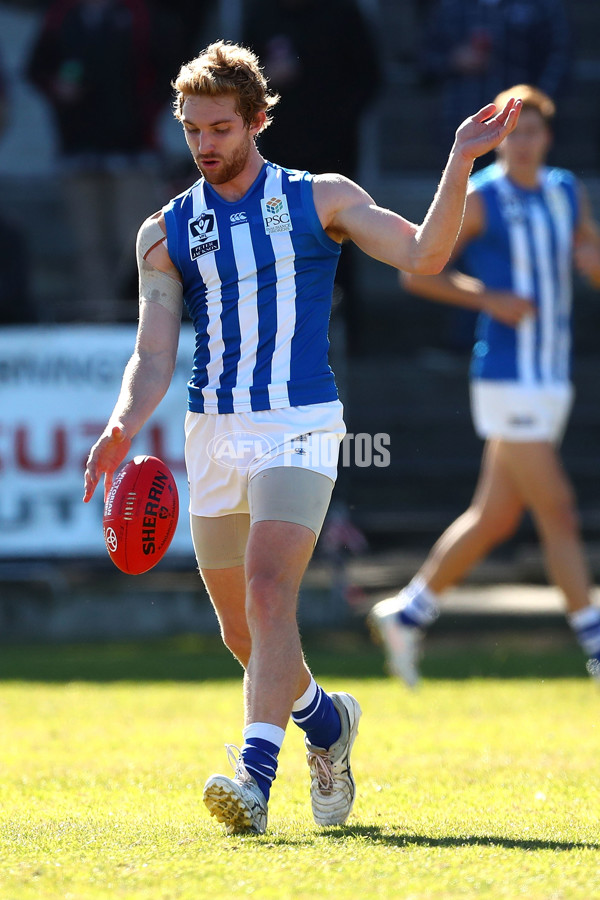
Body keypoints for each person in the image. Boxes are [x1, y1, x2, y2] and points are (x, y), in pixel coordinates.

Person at [82, 40, 520, 834]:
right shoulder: (165, 230)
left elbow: (424, 251)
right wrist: (122, 424)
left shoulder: (320, 198)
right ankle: (328, 723)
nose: (205, 144)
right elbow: (152, 353)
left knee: (266, 589)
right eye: (193, 130)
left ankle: (254, 780)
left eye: (220, 127)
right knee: (244, 632)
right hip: (214, 429)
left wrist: (458, 159)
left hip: (301, 423)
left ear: (255, 120)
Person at [368, 84, 600, 687]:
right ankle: (596, 645)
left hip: (550, 373)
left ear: (547, 137)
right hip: (504, 375)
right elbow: (417, 274)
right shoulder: (482, 196)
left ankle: (408, 613)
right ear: (500, 139)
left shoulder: (566, 190)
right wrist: (487, 297)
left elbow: (591, 259)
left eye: (533, 132)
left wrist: (592, 262)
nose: (524, 144)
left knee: (495, 517)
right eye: (514, 132)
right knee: (560, 512)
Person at [26, 0, 183, 320]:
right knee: (89, 246)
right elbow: (36, 68)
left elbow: (170, 69)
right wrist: (58, 88)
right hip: (78, 149)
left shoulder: (139, 14)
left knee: (137, 241)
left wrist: (144, 114)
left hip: (133, 150)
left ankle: (144, 321)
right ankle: (100, 320)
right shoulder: (61, 16)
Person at [242, 0, 382, 357]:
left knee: (339, 241)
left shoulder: (343, 14)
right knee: (278, 240)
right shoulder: (261, 15)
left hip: (332, 158)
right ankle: (279, 337)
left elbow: (369, 78)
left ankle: (349, 339)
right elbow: (240, 87)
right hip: (277, 159)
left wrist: (334, 119)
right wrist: (268, 81)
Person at [419, 0, 571, 168]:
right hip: (463, 127)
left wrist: (537, 107)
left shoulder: (541, 6)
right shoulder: (450, 6)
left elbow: (560, 58)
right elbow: (424, 61)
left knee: (522, 188)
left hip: (520, 129)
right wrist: (454, 60)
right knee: (464, 190)